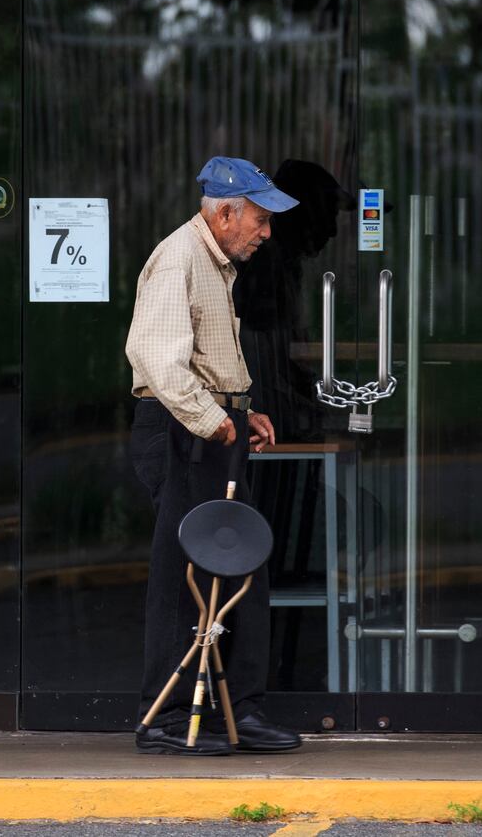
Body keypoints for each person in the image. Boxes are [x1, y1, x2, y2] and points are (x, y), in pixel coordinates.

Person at [125, 156, 302, 756]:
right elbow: (155, 359)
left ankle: (236, 710)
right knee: (188, 576)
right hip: (182, 430)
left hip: (205, 426)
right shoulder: (179, 258)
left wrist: (235, 413)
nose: (266, 231)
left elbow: (196, 363)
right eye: (260, 217)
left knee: (236, 570)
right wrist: (214, 422)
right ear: (225, 213)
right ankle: (173, 718)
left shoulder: (211, 259)